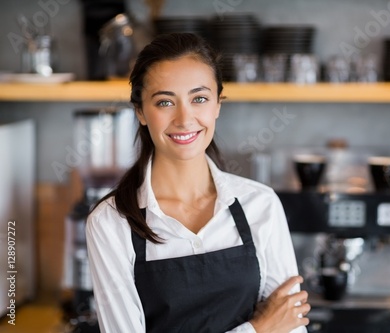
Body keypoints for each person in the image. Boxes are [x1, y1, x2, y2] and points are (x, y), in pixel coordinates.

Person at [86, 32, 310, 333]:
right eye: (165, 102)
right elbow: (274, 326)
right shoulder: (112, 222)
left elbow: (289, 327)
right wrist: (258, 329)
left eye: (199, 98)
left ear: (218, 104)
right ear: (140, 111)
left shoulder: (261, 205)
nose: (184, 118)